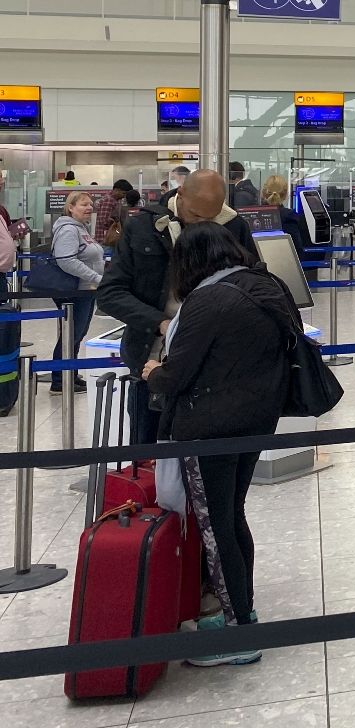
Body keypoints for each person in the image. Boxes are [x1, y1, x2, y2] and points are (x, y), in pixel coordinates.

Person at [142, 222, 300, 666]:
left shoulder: (206, 301)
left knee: (216, 526)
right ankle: (242, 610)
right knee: (232, 516)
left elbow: (178, 373)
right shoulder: (265, 284)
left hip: (210, 428)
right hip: (255, 420)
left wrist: (154, 372)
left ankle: (237, 632)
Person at [97, 170, 258, 445]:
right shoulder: (143, 226)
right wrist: (161, 323)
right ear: (180, 194)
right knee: (147, 453)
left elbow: (251, 287)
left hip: (214, 367)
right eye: (196, 216)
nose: (203, 226)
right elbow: (110, 293)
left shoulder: (233, 227)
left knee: (208, 463)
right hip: (152, 360)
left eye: (212, 218)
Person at [47, 191, 106, 393]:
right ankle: (59, 379)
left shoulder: (82, 229)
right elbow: (66, 260)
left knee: (77, 334)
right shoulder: (68, 230)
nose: (89, 208)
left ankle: (69, 373)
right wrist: (96, 277)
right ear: (70, 207)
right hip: (74, 291)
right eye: (83, 204)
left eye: (90, 204)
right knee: (70, 335)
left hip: (86, 290)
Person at [260, 176, 311, 269]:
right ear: (285, 194)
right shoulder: (289, 216)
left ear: (263, 193)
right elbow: (297, 250)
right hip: (285, 269)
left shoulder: (252, 215)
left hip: (258, 271)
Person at [95, 179, 130, 244]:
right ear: (116, 190)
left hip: (109, 239)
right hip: (106, 240)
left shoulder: (115, 200)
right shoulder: (109, 200)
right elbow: (104, 221)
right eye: (123, 193)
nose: (124, 196)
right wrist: (117, 222)